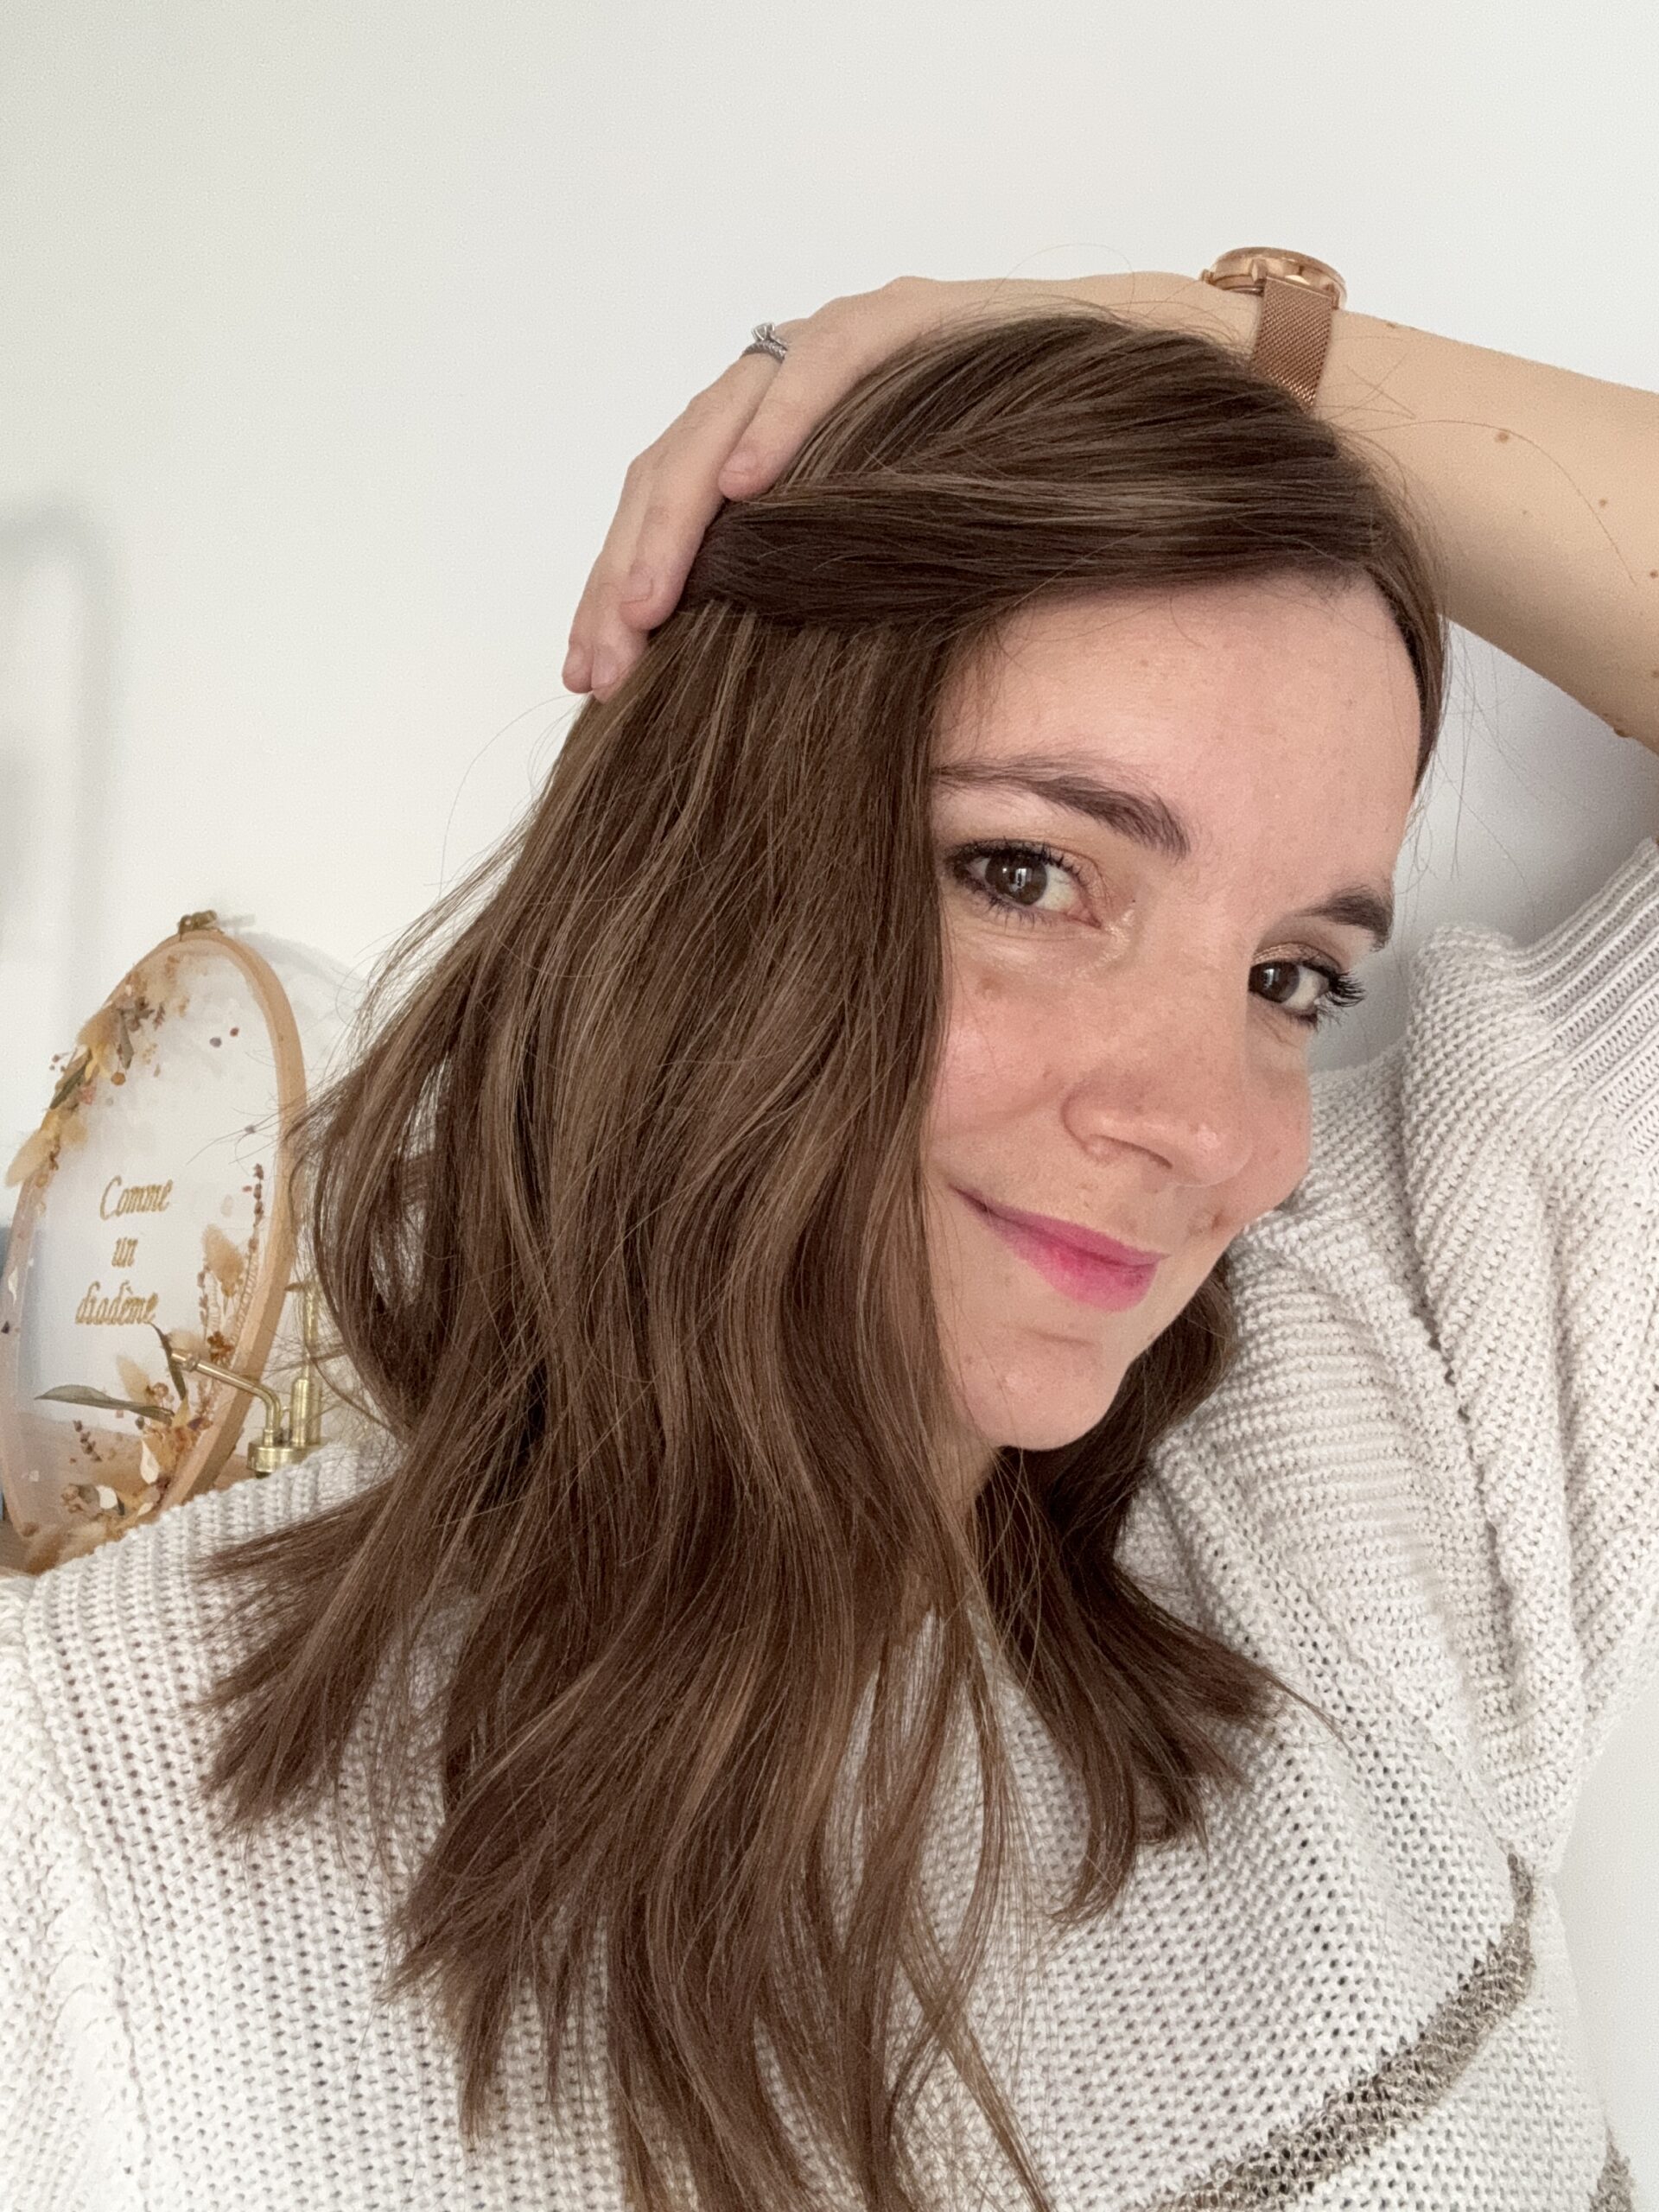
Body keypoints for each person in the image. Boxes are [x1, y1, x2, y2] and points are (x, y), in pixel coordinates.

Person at [2, 263, 1656, 2212]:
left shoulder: (1378, 1407)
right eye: (1026, 872)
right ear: (696, 875)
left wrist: (1215, 336)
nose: (1214, 1130)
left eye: (1292, 975)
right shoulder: (80, 1836)